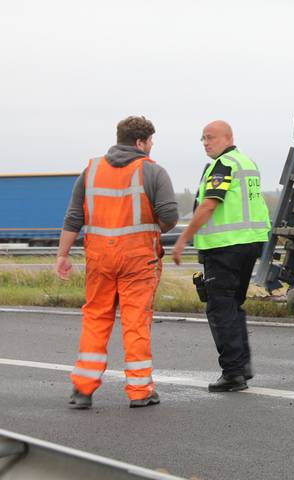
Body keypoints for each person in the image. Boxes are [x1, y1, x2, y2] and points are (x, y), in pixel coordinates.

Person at [57, 116, 179, 409]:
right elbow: (170, 215)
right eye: (150, 141)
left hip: (100, 258)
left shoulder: (92, 171)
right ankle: (140, 391)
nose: (151, 147)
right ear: (140, 142)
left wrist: (62, 255)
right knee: (135, 322)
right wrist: (153, 229)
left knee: (97, 318)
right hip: (138, 259)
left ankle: (83, 389)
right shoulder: (153, 172)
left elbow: (74, 216)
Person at [171, 120, 270, 392]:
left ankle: (233, 372)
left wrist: (182, 238)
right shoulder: (246, 163)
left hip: (224, 247)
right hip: (249, 244)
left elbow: (210, 205)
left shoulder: (223, 165)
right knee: (233, 305)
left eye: (210, 137)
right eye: (202, 138)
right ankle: (242, 366)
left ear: (228, 137)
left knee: (220, 307)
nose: (205, 143)